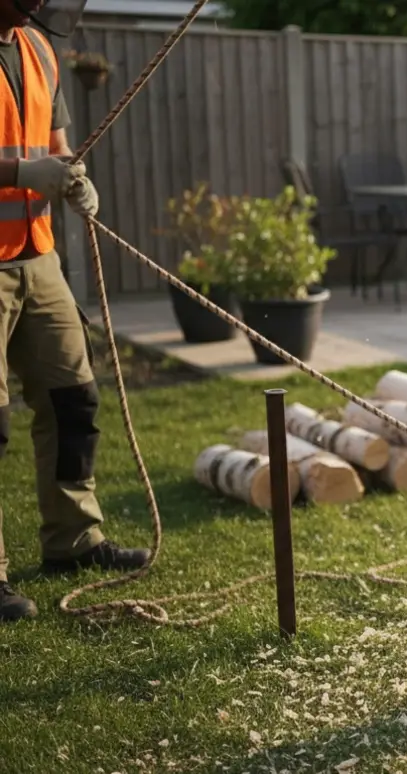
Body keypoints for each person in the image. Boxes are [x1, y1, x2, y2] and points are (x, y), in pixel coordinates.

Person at [0, 0, 150, 623]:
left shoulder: (37, 48)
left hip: (37, 254)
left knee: (73, 400)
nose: (38, 4)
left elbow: (55, 146)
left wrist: (68, 174)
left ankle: (74, 541)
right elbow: (25, 161)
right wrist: (18, 170)